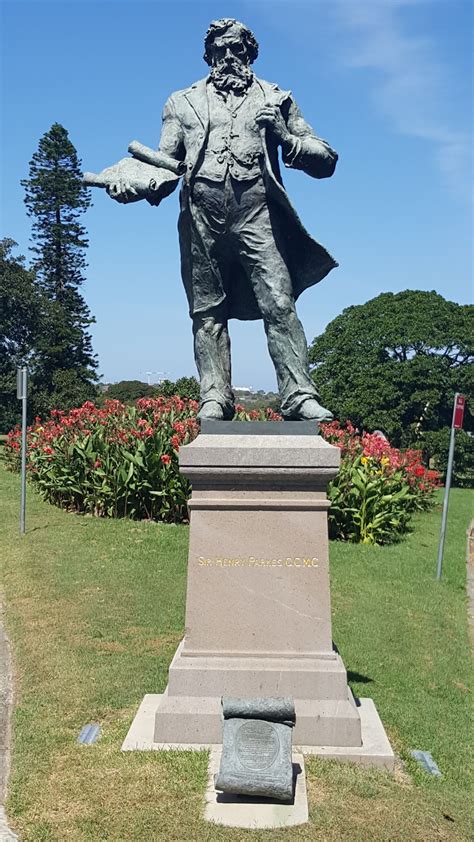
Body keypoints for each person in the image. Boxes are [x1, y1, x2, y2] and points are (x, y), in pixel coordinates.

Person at [109, 18, 339, 421]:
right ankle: (215, 395)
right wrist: (136, 183)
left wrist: (286, 137)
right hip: (202, 217)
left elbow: (326, 159)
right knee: (206, 310)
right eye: (219, 49)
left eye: (236, 48)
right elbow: (165, 163)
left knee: (279, 303)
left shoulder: (277, 97)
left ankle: (299, 394)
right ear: (208, 54)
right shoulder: (181, 102)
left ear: (250, 53)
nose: (228, 56)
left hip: (258, 213)